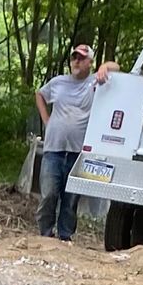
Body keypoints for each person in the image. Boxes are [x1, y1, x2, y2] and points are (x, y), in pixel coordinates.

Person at [35, 41, 114, 241]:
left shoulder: (95, 82)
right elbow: (40, 95)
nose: (76, 61)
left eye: (81, 58)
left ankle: (65, 236)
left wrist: (105, 66)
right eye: (74, 57)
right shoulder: (58, 82)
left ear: (90, 62)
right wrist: (47, 120)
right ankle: (45, 234)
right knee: (49, 195)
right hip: (54, 148)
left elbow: (118, 68)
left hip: (78, 152)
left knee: (70, 200)